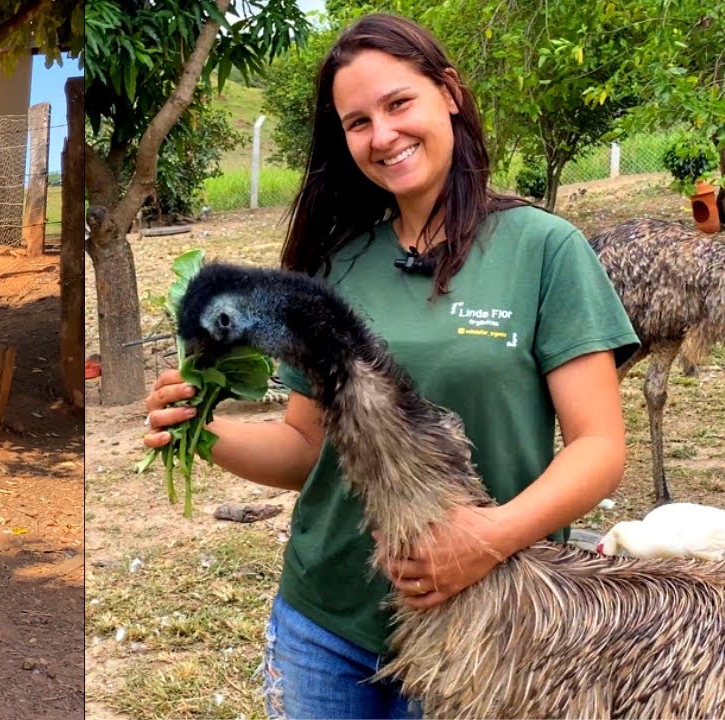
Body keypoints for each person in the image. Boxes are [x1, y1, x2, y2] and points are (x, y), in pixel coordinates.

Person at [142, 13, 639, 720]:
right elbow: (307, 447)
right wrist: (199, 431)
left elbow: (599, 447)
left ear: (450, 94)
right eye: (357, 122)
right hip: (325, 623)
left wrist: (486, 540)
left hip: (484, 625)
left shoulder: (544, 249)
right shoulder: (338, 265)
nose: (382, 135)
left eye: (398, 103)